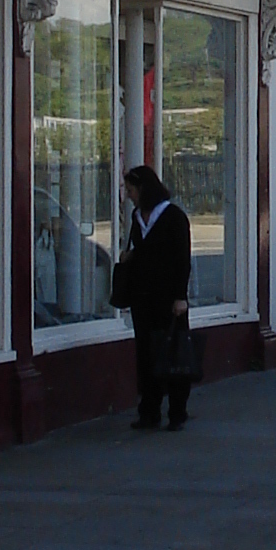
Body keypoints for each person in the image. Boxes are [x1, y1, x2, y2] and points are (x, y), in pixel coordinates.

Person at [113, 162, 196, 429]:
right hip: (142, 297)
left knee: (173, 354)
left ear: (144, 188)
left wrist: (180, 296)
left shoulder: (173, 217)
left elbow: (182, 259)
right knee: (146, 354)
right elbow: (145, 251)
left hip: (169, 299)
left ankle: (177, 412)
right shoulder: (138, 219)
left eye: (131, 189)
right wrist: (131, 257)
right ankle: (149, 410)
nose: (128, 194)